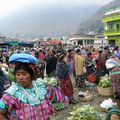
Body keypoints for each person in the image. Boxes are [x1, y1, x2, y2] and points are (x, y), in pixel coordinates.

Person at [0, 53, 54, 120]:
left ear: (32, 75)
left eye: (24, 74)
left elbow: (46, 112)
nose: (20, 77)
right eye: (18, 74)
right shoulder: (12, 93)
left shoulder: (40, 87)